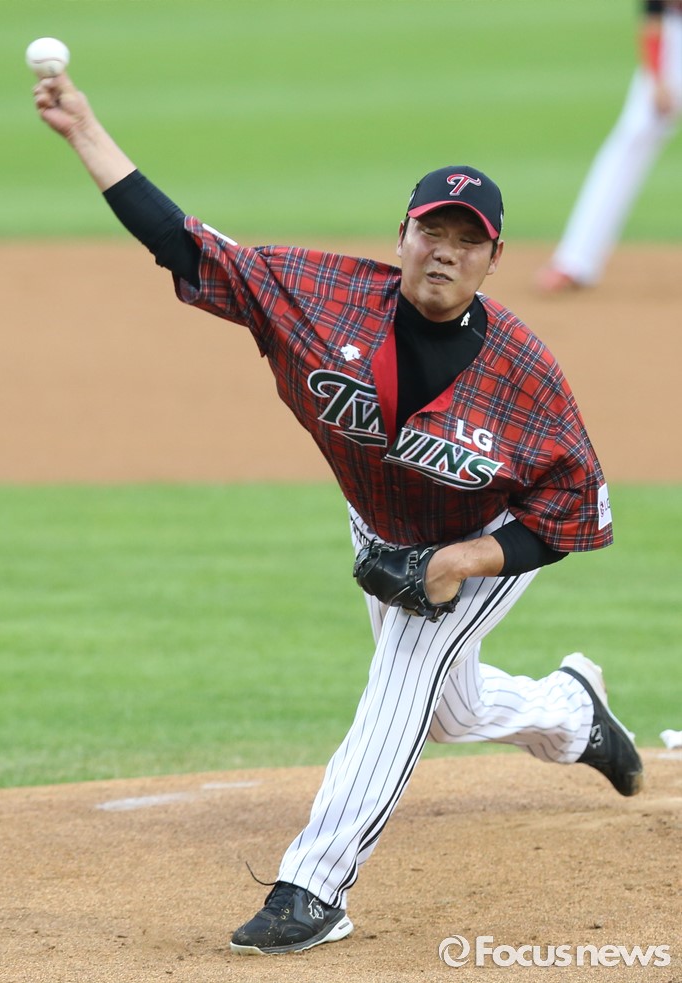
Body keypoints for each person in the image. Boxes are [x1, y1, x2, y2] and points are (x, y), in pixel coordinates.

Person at [33, 72, 644, 957]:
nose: (444, 252)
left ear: (492, 259)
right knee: (450, 707)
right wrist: (85, 129)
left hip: (480, 542)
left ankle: (313, 886)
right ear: (402, 234)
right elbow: (187, 246)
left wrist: (459, 563)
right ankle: (573, 713)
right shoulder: (319, 299)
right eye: (432, 230)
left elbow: (571, 511)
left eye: (466, 240)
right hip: (380, 522)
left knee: (402, 681)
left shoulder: (526, 374)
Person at [536, 0, 682, 293]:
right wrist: (656, 79)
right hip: (675, 42)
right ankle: (575, 261)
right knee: (631, 139)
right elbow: (653, 17)